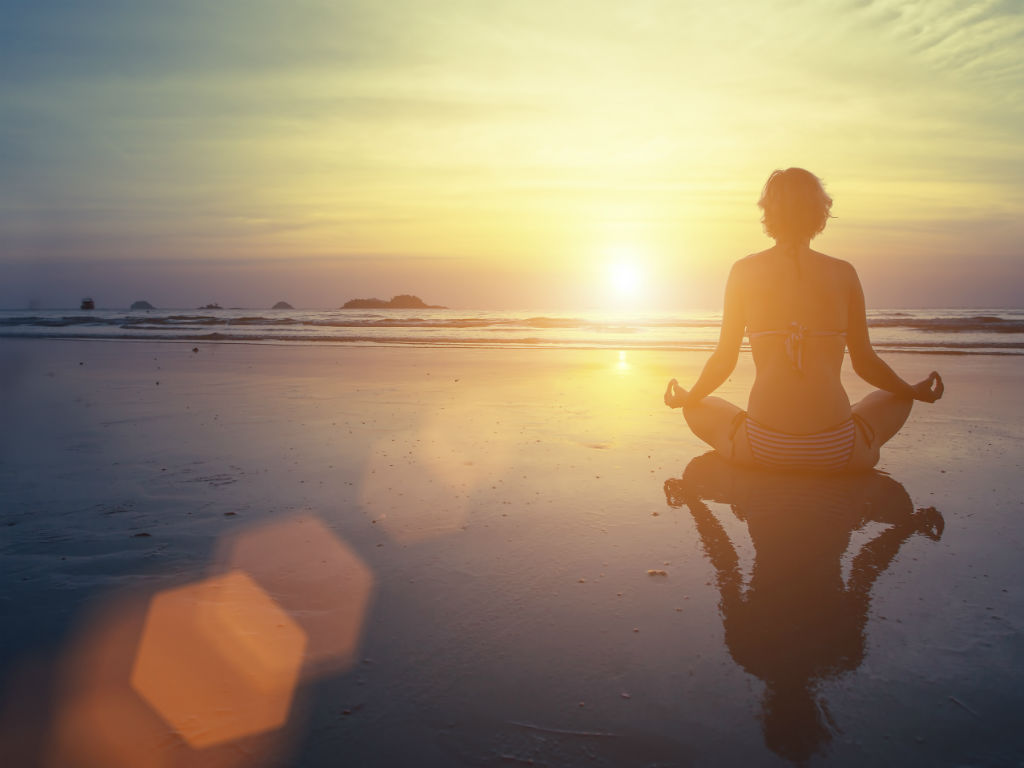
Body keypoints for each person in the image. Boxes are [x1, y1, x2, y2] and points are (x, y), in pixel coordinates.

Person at [664, 168, 943, 471]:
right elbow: (865, 363)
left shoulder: (743, 271)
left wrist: (689, 397)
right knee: (896, 398)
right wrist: (913, 391)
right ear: (820, 213)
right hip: (838, 450)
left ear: (768, 212)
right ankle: (847, 425)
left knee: (696, 407)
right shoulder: (843, 273)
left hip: (762, 447)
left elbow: (724, 360)